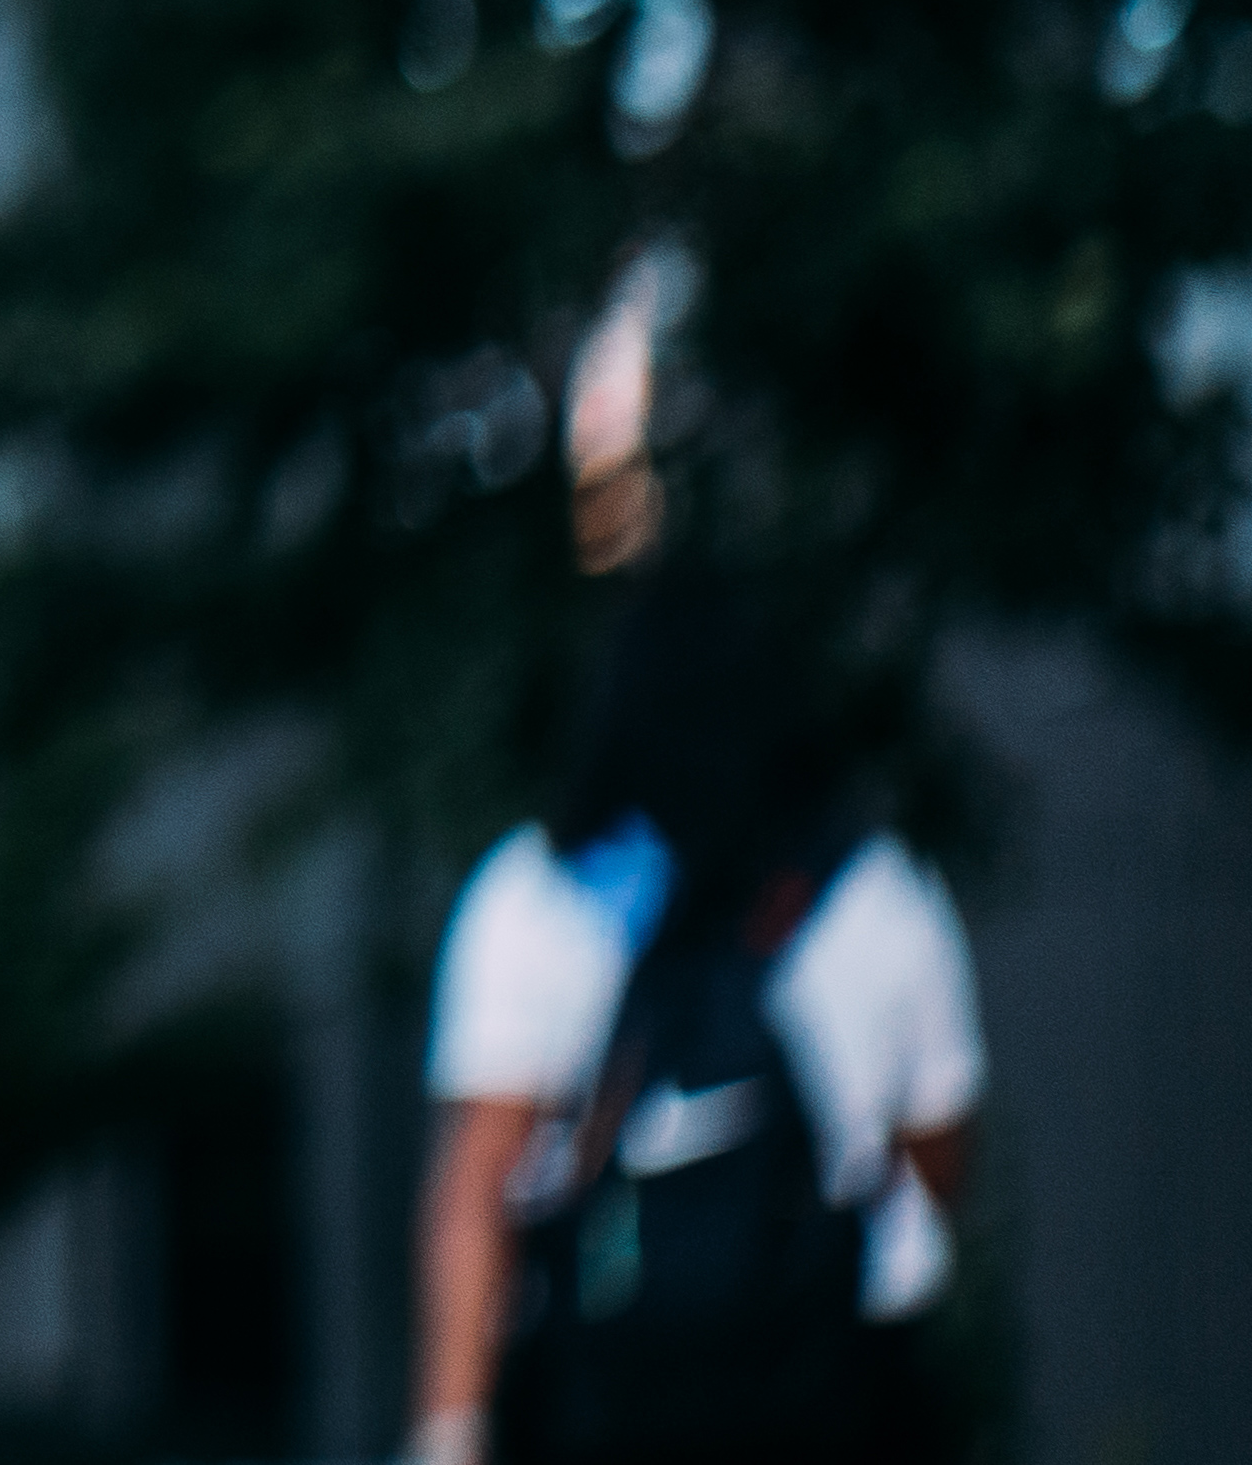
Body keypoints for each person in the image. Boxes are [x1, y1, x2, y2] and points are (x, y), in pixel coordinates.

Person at [408, 570, 987, 1465]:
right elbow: (939, 1163)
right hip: (836, 1390)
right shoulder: (875, 894)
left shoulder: (536, 895)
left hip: (600, 1395)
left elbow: (477, 1182)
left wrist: (448, 1431)